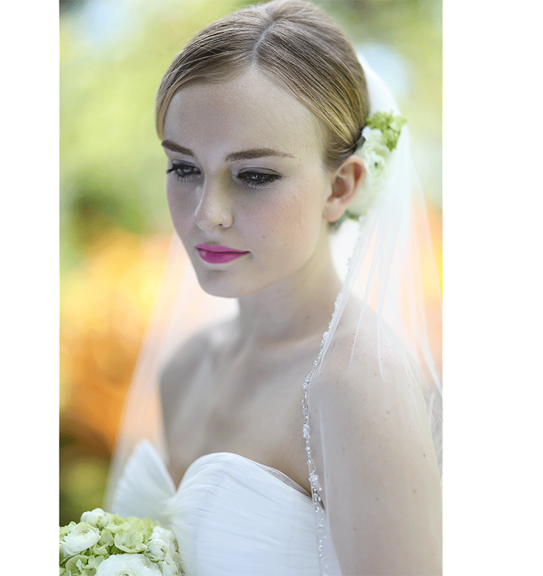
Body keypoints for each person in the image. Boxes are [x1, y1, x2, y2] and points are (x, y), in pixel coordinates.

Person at [104, 1, 443, 574]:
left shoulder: (355, 385)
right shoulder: (183, 368)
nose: (207, 214)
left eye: (254, 176)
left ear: (341, 186)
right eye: (184, 168)